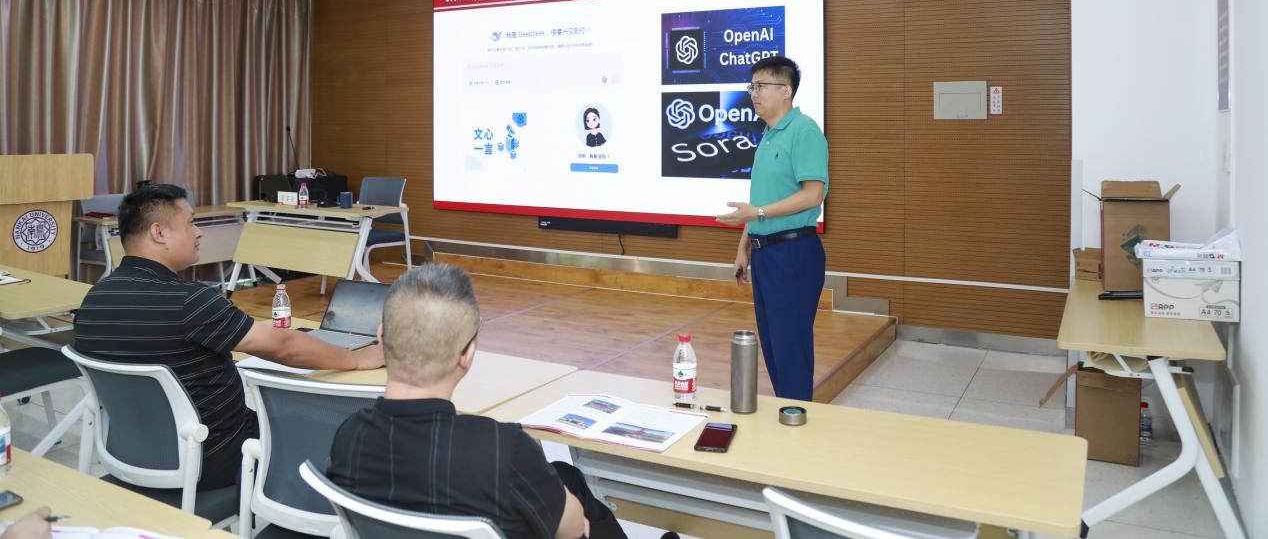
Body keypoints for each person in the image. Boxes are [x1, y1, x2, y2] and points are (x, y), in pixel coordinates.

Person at [73, 183, 384, 491]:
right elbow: (283, 346)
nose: (199, 233)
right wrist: (356, 359)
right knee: (338, 422)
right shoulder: (188, 301)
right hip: (215, 456)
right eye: (191, 223)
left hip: (134, 451)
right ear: (159, 232)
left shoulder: (95, 299)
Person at [329, 265, 670, 539]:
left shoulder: (349, 435)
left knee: (566, 475)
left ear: (381, 338)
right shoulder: (503, 449)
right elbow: (570, 530)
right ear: (467, 355)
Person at [716, 56, 828, 401]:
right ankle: (787, 410)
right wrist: (743, 248)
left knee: (791, 346)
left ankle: (796, 416)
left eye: (761, 86)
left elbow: (813, 195)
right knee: (774, 344)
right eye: (752, 86)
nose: (754, 93)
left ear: (785, 91)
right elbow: (760, 201)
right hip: (766, 254)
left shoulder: (804, 131)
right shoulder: (767, 137)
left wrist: (759, 213)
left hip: (793, 253)